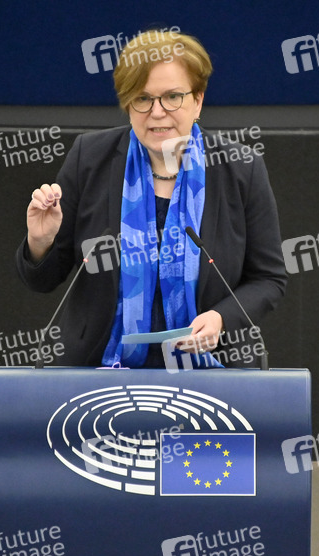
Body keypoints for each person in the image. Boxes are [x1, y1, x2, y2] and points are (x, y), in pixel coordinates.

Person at [16, 29, 286, 368]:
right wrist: (40, 242)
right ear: (128, 105)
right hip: (100, 369)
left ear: (198, 100)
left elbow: (269, 279)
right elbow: (43, 281)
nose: (157, 112)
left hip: (212, 370)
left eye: (172, 97)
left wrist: (221, 318)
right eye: (142, 99)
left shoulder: (240, 168)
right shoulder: (90, 158)